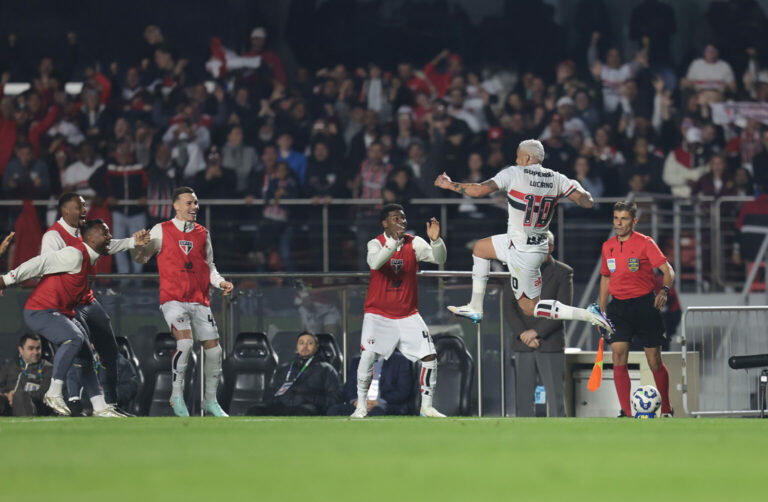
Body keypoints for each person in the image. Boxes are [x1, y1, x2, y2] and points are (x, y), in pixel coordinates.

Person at [433, 139, 614, 333]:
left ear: (527, 157)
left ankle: (588, 314)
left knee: (529, 308)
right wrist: (580, 187)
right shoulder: (558, 178)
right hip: (530, 244)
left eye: (518, 156)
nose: (516, 160)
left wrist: (450, 184)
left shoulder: (514, 173)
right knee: (480, 249)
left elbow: (478, 190)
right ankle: (475, 307)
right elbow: (588, 203)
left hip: (523, 252)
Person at [0, 220, 130, 417]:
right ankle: (54, 392)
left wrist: (133, 242)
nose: (110, 237)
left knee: (86, 354)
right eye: (105, 233)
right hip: (40, 309)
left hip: (61, 311)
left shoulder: (93, 255)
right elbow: (40, 262)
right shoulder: (74, 254)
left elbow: (114, 246)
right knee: (74, 338)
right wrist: (7, 279)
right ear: (91, 238)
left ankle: (100, 406)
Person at [131, 186, 233, 417]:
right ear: (175, 206)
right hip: (173, 300)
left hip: (199, 300)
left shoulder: (202, 233)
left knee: (215, 351)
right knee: (185, 344)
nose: (194, 207)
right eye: (189, 203)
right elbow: (141, 257)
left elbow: (209, 266)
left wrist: (221, 282)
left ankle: (210, 401)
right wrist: (137, 247)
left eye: (196, 203)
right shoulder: (161, 230)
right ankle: (176, 395)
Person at [41, 192, 144, 411]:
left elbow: (105, 245)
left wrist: (131, 242)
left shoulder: (84, 233)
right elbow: (46, 268)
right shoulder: (53, 237)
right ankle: (69, 399)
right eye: (80, 207)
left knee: (109, 349)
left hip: (87, 300)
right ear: (66, 210)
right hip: (67, 304)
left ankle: (112, 403)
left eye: (84, 206)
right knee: (79, 349)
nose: (85, 210)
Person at [352, 204, 447, 418]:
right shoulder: (375, 243)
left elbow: (440, 259)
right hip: (378, 313)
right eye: (395, 219)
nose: (401, 222)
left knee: (430, 356)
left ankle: (427, 407)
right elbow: (375, 263)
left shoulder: (414, 243)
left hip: (407, 313)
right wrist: (393, 242)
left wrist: (436, 241)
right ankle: (360, 406)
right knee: (367, 356)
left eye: (403, 218)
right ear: (385, 223)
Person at [599, 201, 675, 418]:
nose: (618, 223)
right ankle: (628, 412)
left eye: (623, 219)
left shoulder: (645, 243)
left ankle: (667, 409)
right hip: (619, 308)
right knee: (618, 355)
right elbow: (605, 278)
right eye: (615, 218)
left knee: (654, 360)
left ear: (634, 221)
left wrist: (664, 290)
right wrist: (601, 310)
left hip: (645, 307)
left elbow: (668, 270)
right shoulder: (608, 246)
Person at [504, 231, 571, 417]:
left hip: (550, 343)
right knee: (523, 402)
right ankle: (524, 442)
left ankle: (561, 440)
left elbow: (562, 308)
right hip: (523, 344)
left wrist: (535, 332)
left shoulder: (563, 273)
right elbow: (509, 307)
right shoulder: (517, 269)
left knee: (556, 401)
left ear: (551, 247)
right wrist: (524, 334)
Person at [249, 332, 341, 416]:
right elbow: (269, 394)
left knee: (303, 412)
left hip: (308, 408)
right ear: (297, 347)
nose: (305, 346)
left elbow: (335, 399)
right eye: (301, 343)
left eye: (309, 343)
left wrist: (309, 399)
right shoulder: (285, 368)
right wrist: (280, 398)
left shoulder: (326, 369)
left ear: (316, 347)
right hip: (283, 407)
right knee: (255, 410)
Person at [327, 349, 413, 416]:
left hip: (385, 404)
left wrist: (379, 401)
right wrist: (355, 401)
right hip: (359, 404)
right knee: (334, 410)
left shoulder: (400, 360)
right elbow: (348, 388)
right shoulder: (357, 361)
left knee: (376, 412)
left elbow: (403, 391)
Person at [0, 333, 53, 416]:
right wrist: (7, 395)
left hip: (31, 407)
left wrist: (17, 395)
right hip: (7, 405)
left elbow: (43, 393)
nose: (35, 352)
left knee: (20, 396)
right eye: (31, 348)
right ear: (21, 350)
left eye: (38, 348)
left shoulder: (48, 368)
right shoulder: (9, 365)